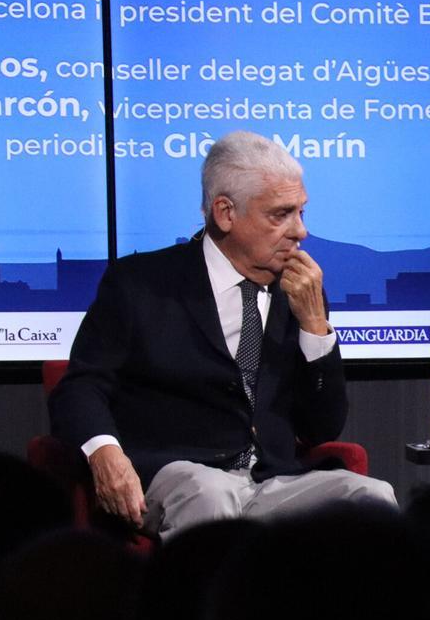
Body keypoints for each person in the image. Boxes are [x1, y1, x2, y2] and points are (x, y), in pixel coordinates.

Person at [50, 130, 396, 541]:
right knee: (209, 493)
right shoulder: (141, 284)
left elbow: (323, 428)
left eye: (301, 212)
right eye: (280, 215)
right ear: (225, 212)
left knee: (372, 497)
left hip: (272, 480)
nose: (300, 231)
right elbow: (82, 386)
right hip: (178, 475)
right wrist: (104, 451)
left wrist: (316, 329)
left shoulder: (300, 292)